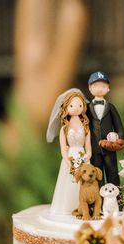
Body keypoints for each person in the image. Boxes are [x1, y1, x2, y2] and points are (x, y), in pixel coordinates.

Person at [46, 88, 91, 216]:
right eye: (72, 105)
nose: (76, 108)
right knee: (69, 183)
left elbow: (89, 150)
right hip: (70, 158)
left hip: (83, 158)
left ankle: (84, 208)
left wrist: (84, 159)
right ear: (66, 107)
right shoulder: (64, 129)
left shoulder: (86, 127)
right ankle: (68, 207)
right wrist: (70, 163)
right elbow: (63, 150)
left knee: (84, 183)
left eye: (79, 105)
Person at [87, 72, 124, 207]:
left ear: (108, 89)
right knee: (97, 177)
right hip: (93, 149)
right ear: (90, 89)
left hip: (110, 148)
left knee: (113, 174)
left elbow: (119, 125)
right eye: (96, 86)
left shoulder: (111, 107)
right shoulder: (87, 108)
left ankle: (119, 202)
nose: (99, 88)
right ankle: (99, 204)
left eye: (103, 86)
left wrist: (120, 139)